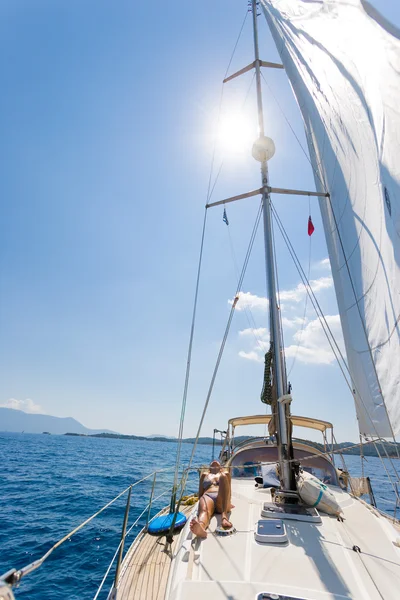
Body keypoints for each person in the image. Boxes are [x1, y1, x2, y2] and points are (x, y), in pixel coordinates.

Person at [190, 459, 234, 539]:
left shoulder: (225, 474)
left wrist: (228, 502)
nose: (214, 461)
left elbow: (228, 491)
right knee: (204, 511)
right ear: (209, 468)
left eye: (217, 462)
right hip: (208, 496)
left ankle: (224, 518)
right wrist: (201, 503)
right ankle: (201, 528)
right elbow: (200, 493)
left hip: (221, 498)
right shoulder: (204, 475)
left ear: (221, 467)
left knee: (223, 477)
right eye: (212, 462)